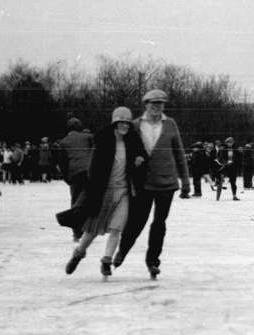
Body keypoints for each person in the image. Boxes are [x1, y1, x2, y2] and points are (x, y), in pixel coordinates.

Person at [60, 106, 148, 278]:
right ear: (114, 123)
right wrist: (92, 190)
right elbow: (93, 168)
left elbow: (143, 156)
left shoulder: (133, 141)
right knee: (92, 230)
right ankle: (78, 253)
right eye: (120, 122)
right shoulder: (102, 141)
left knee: (117, 228)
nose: (124, 126)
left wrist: (140, 160)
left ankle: (106, 261)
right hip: (103, 191)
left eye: (127, 123)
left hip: (123, 192)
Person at [113, 89, 191, 279]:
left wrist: (186, 181)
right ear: (145, 104)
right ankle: (122, 251)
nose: (157, 107)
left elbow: (179, 153)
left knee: (159, 223)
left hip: (167, 183)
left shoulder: (170, 124)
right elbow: (126, 152)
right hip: (144, 183)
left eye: (161, 104)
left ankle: (153, 261)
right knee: (137, 221)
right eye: (153, 103)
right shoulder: (135, 125)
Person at [57, 117, 95, 208]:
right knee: (92, 198)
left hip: (75, 173)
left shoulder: (63, 142)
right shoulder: (88, 137)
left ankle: (76, 219)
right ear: (80, 127)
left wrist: (67, 179)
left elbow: (63, 164)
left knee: (76, 199)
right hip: (89, 171)